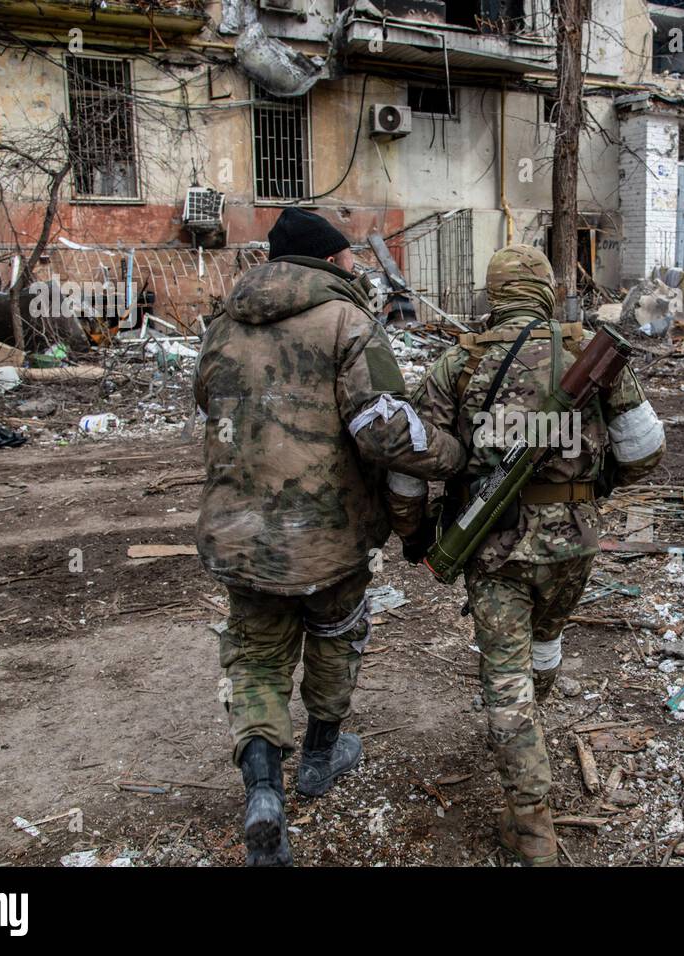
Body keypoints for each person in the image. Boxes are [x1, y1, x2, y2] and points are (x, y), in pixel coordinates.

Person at [193, 207, 465, 866]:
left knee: (255, 659)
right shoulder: (348, 322)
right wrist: (453, 456)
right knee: (338, 638)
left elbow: (209, 402)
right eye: (349, 257)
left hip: (242, 536)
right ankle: (319, 756)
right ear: (334, 261)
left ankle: (263, 789)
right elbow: (384, 430)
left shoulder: (222, 326)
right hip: (332, 540)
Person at [400, 244, 665, 865]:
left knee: (506, 678)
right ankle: (526, 728)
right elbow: (645, 450)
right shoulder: (590, 353)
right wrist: (590, 491)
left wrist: (415, 532)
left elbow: (409, 466)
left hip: (491, 546)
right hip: (575, 542)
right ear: (546, 290)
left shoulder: (457, 364)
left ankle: (532, 825)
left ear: (493, 294)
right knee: (545, 643)